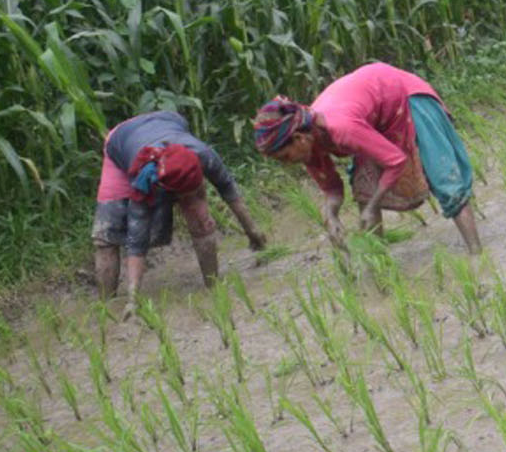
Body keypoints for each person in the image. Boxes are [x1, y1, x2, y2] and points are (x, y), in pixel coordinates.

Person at [251, 63, 482, 253]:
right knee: (364, 189)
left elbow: (395, 161)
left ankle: (477, 254)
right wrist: (331, 215)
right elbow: (332, 188)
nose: (286, 163)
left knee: (444, 178)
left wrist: (373, 206)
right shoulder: (309, 144)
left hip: (406, 97)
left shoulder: (340, 128)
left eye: (284, 156)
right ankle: (379, 268)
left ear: (299, 138)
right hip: (375, 116)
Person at [93, 110, 267, 314]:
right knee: (105, 236)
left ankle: (213, 288)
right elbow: (136, 241)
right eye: (182, 194)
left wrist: (252, 231)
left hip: (168, 122)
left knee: (201, 220)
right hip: (122, 142)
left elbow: (229, 191)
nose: (186, 199)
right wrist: (133, 299)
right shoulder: (145, 180)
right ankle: (107, 308)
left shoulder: (204, 155)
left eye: (194, 190)